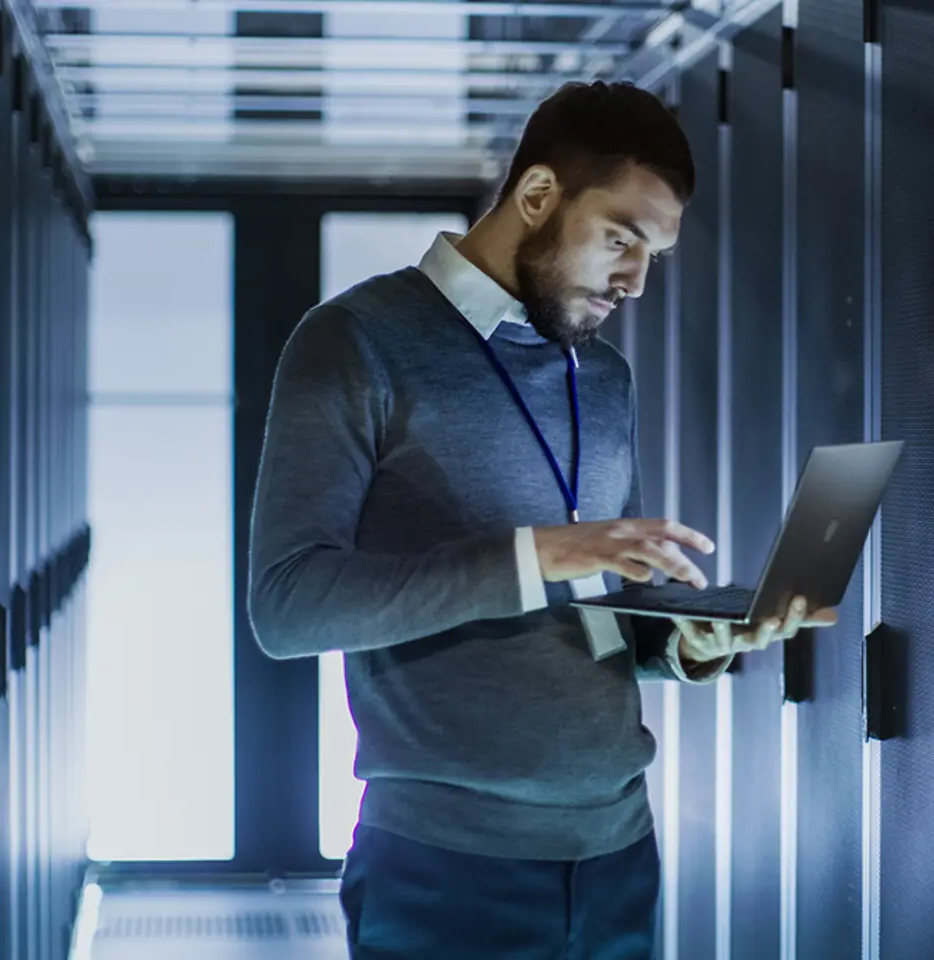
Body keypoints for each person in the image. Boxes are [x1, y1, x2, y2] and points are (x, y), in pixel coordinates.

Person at [247, 80, 838, 959]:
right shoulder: (353, 342)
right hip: (444, 868)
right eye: (621, 240)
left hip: (616, 854)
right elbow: (288, 605)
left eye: (654, 255)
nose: (636, 281)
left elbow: (597, 613)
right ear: (536, 195)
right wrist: (536, 555)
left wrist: (685, 641)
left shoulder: (601, 377)